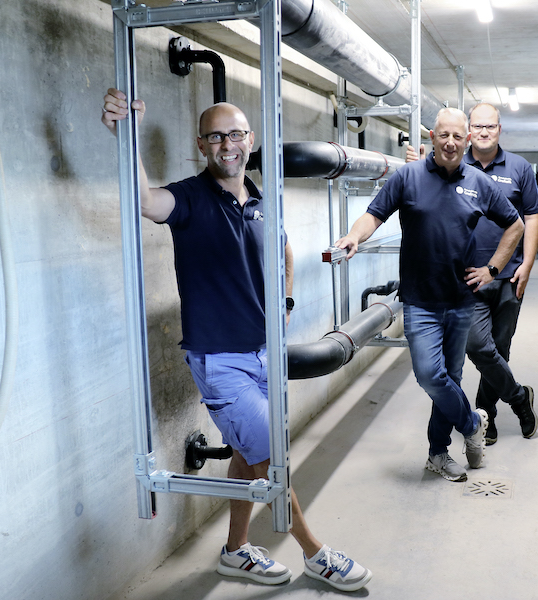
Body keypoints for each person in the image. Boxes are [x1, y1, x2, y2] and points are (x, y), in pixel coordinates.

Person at [101, 89, 371, 592]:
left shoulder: (264, 201)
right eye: (216, 135)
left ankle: (234, 553)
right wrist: (126, 135)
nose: (228, 143)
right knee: (271, 456)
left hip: (265, 352)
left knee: (249, 454)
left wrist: (284, 307)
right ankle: (317, 555)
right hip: (221, 359)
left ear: (250, 140)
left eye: (237, 134)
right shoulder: (189, 198)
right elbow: (144, 200)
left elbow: (286, 253)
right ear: (201, 145)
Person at [335, 107, 524, 482]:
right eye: (443, 136)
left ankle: (438, 454)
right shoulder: (407, 177)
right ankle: (472, 423)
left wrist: (491, 270)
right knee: (429, 375)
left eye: (457, 136)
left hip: (461, 300)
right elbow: (374, 214)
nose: (451, 143)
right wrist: (354, 235)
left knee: (450, 377)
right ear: (432, 139)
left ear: (466, 140)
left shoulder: (480, 183)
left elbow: (515, 225)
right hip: (421, 300)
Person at [406, 102, 538, 446]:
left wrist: (526, 264)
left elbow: (531, 218)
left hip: (508, 275)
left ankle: (486, 412)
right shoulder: (452, 162)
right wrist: (416, 165)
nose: (483, 132)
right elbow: (423, 182)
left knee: (500, 348)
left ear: (499, 130)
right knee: (480, 348)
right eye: (478, 126)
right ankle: (517, 398)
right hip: (466, 279)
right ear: (469, 134)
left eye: (490, 127)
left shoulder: (519, 168)